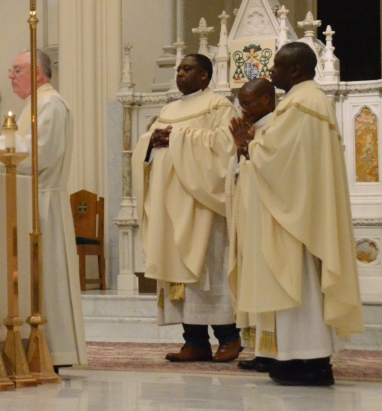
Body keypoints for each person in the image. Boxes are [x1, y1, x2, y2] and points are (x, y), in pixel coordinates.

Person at [229, 43, 364, 386]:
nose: (271, 72)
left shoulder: (304, 102)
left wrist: (249, 145)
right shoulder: (306, 101)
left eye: (276, 67)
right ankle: (293, 360)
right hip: (296, 212)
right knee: (296, 286)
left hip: (296, 221)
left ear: (295, 71)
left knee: (299, 285)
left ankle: (310, 363)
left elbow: (279, 156)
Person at [131, 54, 240, 363]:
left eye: (187, 69)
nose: (180, 74)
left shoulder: (219, 107)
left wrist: (176, 137)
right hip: (170, 207)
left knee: (210, 271)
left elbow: (225, 146)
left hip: (202, 204)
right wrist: (151, 141)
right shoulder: (167, 110)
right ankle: (194, 341)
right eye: (178, 69)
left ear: (205, 76)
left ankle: (229, 338)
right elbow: (144, 149)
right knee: (178, 275)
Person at [0, 49, 86, 366]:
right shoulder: (34, 105)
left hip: (43, 202)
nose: (10, 76)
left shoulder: (50, 104)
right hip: (31, 200)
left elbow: (39, 156)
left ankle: (52, 350)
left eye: (16, 69)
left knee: (46, 280)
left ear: (38, 73)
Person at [225, 78, 276, 373]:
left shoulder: (276, 128)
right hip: (248, 216)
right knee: (250, 280)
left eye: (248, 103)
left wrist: (248, 147)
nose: (243, 110)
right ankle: (260, 350)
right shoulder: (251, 129)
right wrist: (240, 150)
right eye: (241, 104)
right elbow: (238, 172)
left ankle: (272, 351)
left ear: (267, 100)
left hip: (267, 220)